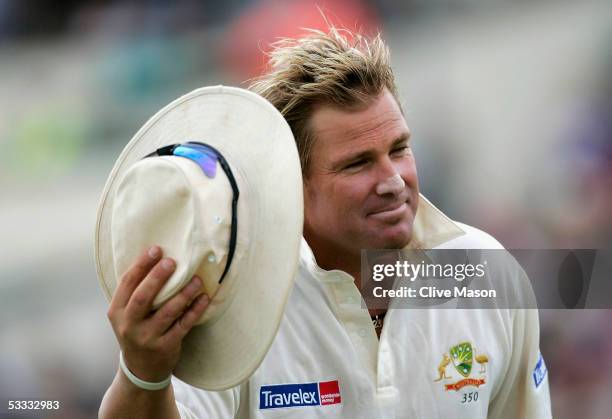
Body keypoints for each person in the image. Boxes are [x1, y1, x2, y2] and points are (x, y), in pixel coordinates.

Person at [99, 27, 552, 418]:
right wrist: (143, 374)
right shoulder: (231, 301)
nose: (393, 181)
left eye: (399, 149)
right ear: (293, 186)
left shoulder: (487, 273)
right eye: (358, 164)